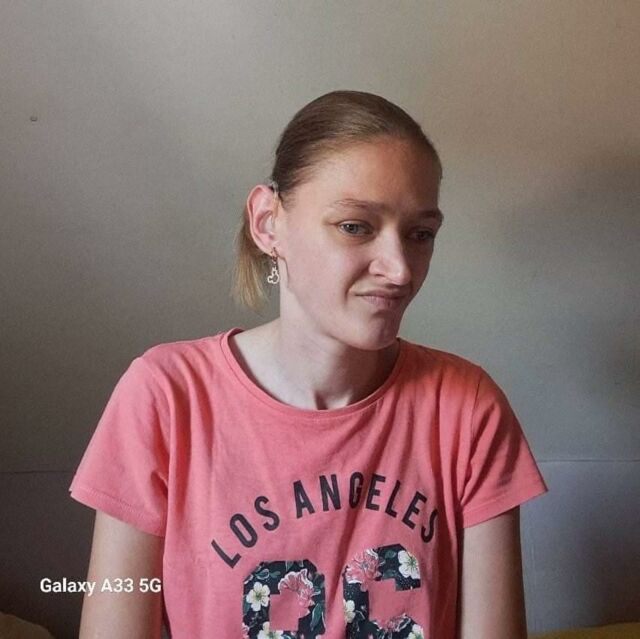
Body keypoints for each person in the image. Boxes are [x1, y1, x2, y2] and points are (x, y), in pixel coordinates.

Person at [69, 90, 549, 638]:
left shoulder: (466, 409)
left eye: (420, 234)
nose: (399, 269)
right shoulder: (166, 397)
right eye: (355, 226)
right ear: (268, 223)